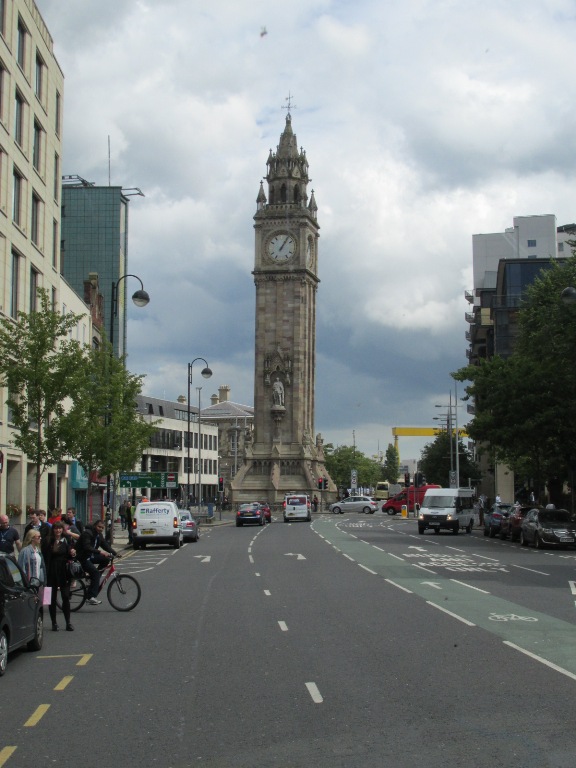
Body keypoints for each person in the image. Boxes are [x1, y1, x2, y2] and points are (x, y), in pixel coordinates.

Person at [41, 520, 76, 631]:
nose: (58, 530)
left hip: (63, 572)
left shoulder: (67, 540)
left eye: (60, 528)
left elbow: (71, 556)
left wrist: (72, 553)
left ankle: (68, 623)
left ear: (62, 529)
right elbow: (45, 557)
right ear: (53, 530)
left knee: (65, 597)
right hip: (51, 571)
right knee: (51, 598)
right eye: (56, 528)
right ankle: (54, 623)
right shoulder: (48, 541)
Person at [76, 518, 117, 605]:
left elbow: (105, 545)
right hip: (82, 557)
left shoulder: (99, 535)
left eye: (102, 528)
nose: (100, 529)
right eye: (99, 527)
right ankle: (91, 597)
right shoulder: (87, 533)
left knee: (106, 559)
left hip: (90, 556)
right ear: (95, 526)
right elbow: (87, 547)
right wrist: (100, 552)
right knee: (95, 573)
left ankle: (94, 578)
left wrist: (115, 553)